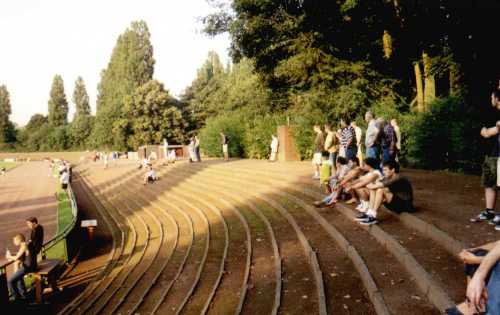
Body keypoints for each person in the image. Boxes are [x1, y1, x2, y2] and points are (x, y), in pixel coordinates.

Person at [471, 90, 500, 226]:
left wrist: (490, 131)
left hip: (497, 154)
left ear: (496, 99)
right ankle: (489, 211)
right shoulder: (491, 113)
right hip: (489, 153)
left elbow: (488, 132)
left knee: (498, 184)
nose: (491, 99)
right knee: (488, 183)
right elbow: (483, 131)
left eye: (492, 97)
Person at [357, 160, 415, 225]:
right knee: (375, 189)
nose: (383, 172)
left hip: (405, 205)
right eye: (383, 170)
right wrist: (372, 184)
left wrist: (369, 184)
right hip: (395, 202)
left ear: (393, 170)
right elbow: (374, 185)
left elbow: (374, 186)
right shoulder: (388, 177)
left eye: (385, 170)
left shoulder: (399, 178)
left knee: (380, 190)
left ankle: (373, 215)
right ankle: (369, 213)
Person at [5, 234, 34, 301]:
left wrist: (9, 256)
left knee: (10, 281)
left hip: (27, 267)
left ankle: (16, 298)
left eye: (14, 240)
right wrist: (11, 256)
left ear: (19, 240)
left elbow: (17, 257)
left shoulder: (24, 245)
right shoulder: (24, 245)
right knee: (18, 278)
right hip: (28, 266)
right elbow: (19, 257)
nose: (14, 242)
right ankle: (23, 295)